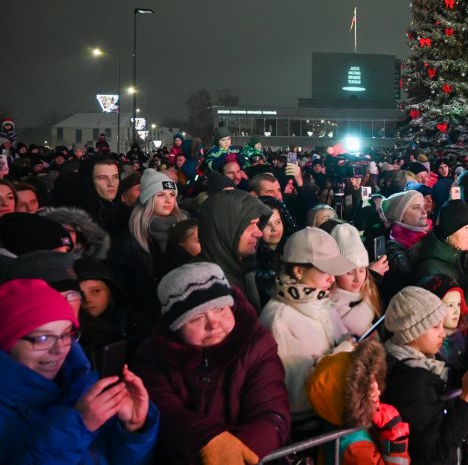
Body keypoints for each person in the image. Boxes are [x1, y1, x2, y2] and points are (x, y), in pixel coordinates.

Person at [133, 262, 290, 463]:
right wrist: (206, 439)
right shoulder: (153, 356)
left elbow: (272, 412)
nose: (213, 323)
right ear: (176, 325)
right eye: (196, 317)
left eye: (220, 309)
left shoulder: (256, 344)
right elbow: (163, 408)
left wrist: (239, 452)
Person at [0, 278, 159, 463]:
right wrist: (77, 427)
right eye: (43, 338)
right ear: (7, 343)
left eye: (66, 334)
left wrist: (133, 429)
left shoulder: (84, 387)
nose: (59, 349)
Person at [382, 286, 468, 465]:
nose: (442, 332)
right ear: (413, 332)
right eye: (435, 326)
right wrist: (466, 401)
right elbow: (436, 453)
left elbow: (454, 380)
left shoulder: (425, 361)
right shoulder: (410, 380)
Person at [259, 226, 357, 429]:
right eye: (326, 271)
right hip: (310, 429)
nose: (332, 279)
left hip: (335, 413)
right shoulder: (279, 320)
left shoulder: (320, 301)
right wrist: (343, 353)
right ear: (299, 271)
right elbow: (296, 399)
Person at [306, 339, 411, 465]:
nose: (377, 390)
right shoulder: (355, 448)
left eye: (375, 382)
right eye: (367, 388)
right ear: (351, 401)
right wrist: (396, 434)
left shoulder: (336, 420)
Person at [115, 168, 188, 330]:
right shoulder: (129, 241)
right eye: (161, 195)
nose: (168, 200)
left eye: (171, 195)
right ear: (148, 198)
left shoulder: (185, 231)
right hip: (147, 322)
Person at [197, 188, 271, 310]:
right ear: (224, 228)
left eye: (257, 225)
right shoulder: (204, 288)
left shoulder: (245, 267)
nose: (259, 233)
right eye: (248, 225)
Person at [330, 222, 382, 337]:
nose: (357, 279)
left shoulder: (370, 293)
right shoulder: (328, 308)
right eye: (349, 272)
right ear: (335, 273)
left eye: (362, 270)